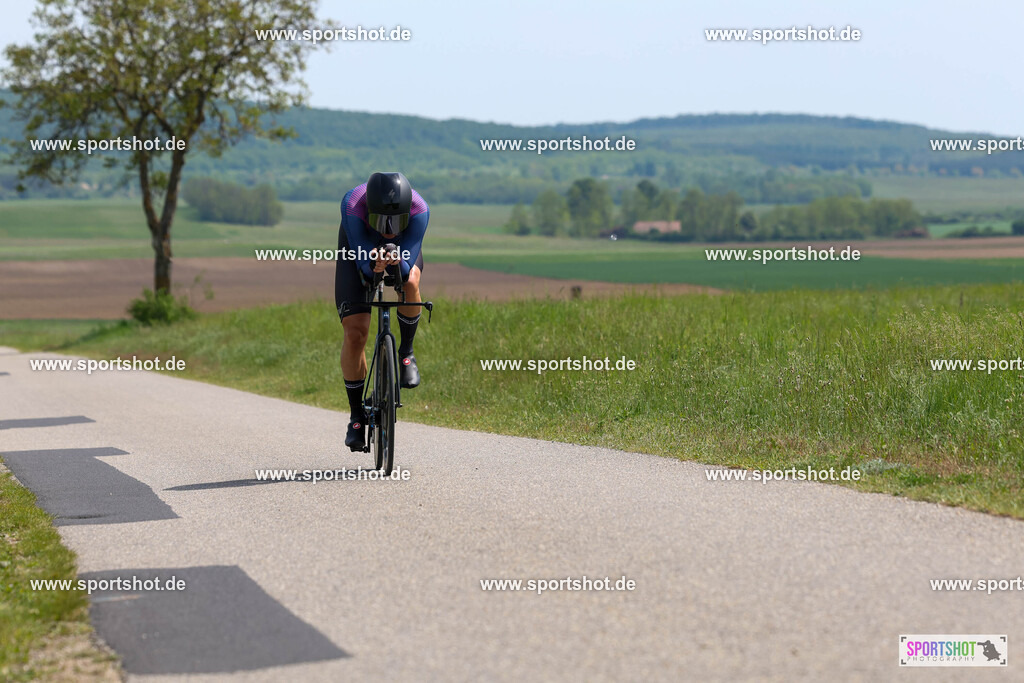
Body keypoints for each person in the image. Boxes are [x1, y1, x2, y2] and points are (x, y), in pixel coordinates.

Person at [334, 172, 429, 451]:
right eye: (382, 222)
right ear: (370, 212)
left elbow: (405, 265)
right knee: (356, 333)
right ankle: (356, 417)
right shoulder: (353, 204)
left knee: (410, 280)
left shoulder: (420, 209)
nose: (388, 230)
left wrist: (396, 262)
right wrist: (372, 266)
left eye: (396, 222)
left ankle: (406, 354)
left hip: (402, 249)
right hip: (359, 245)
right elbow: (364, 269)